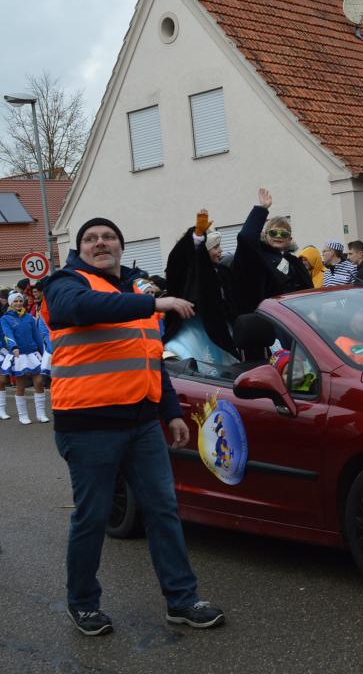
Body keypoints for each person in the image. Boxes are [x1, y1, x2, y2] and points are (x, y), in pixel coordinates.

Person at [39, 217, 224, 636]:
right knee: (93, 517)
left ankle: (182, 600)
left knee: (163, 511)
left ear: (120, 246)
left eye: (109, 237)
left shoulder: (136, 289)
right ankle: (83, 604)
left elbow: (151, 358)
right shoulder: (66, 284)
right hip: (88, 426)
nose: (100, 243)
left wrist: (171, 412)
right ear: (79, 249)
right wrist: (152, 304)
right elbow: (77, 309)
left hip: (141, 423)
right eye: (91, 238)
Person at [164, 213, 239, 361]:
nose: (220, 250)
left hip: (219, 328)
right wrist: (197, 239)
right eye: (215, 247)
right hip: (194, 332)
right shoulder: (189, 274)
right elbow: (180, 260)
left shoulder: (221, 271)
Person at [232, 188, 312, 312]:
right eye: (274, 233)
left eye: (283, 234)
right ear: (266, 235)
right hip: (266, 315)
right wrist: (262, 209)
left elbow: (308, 291)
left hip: (293, 315)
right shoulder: (258, 255)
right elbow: (245, 237)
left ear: (289, 239)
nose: (278, 237)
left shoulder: (294, 261)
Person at [2, 290, 49, 423]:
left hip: (33, 353)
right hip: (19, 355)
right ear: (10, 303)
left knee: (39, 382)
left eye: (20, 301)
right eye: (15, 301)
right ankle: (23, 415)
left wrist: (43, 352)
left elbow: (37, 336)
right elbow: (7, 334)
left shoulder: (29, 317)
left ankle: (41, 414)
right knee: (21, 385)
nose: (18, 303)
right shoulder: (5, 319)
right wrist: (14, 347)